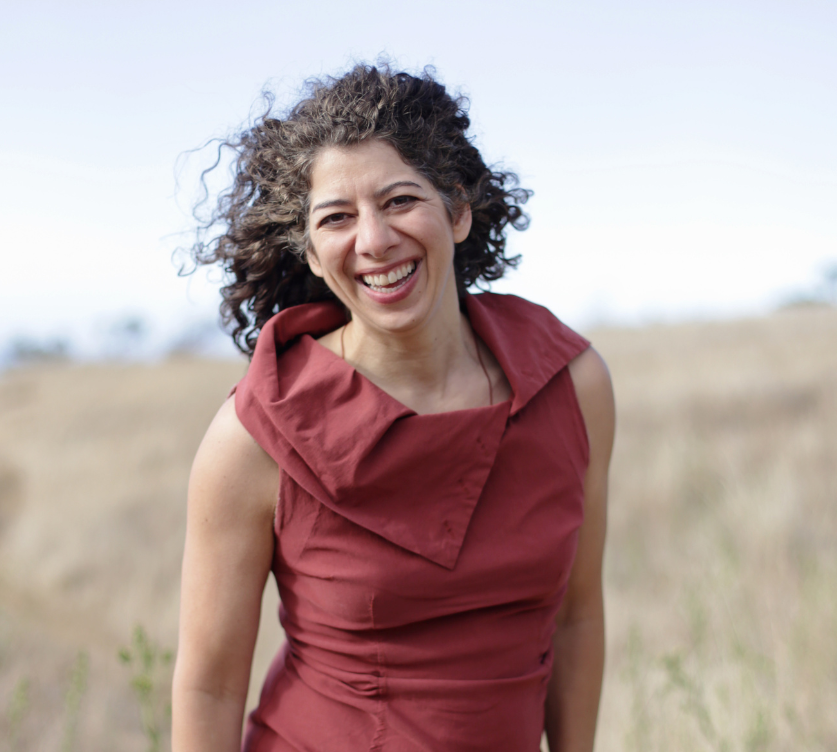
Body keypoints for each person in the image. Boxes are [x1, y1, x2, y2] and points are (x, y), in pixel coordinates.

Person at [172, 64, 615, 752]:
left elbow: (575, 618)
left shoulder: (570, 384)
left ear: (458, 211)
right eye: (337, 218)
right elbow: (209, 688)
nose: (374, 240)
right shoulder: (255, 438)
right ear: (311, 252)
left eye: (400, 200)